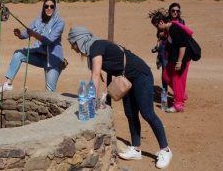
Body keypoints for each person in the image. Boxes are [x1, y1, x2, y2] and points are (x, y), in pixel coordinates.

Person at [67, 26, 172, 169]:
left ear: (78, 40)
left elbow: (95, 75)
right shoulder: (95, 47)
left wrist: (91, 101)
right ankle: (136, 148)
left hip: (141, 75)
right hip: (126, 79)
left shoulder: (95, 47)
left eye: (72, 43)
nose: (72, 48)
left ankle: (165, 150)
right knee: (130, 113)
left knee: (147, 113)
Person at [0, 0, 65, 93]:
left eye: (51, 6)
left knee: (50, 92)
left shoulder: (60, 23)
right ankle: (8, 83)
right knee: (18, 54)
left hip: (53, 60)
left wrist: (34, 34)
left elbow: (48, 40)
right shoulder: (38, 20)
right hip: (39, 56)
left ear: (55, 8)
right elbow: (26, 33)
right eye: (46, 6)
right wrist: (20, 34)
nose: (49, 8)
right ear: (43, 8)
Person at [150, 10, 193, 113]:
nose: (157, 28)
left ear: (161, 22)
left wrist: (179, 62)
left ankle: (178, 105)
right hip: (173, 59)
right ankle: (181, 94)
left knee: (177, 79)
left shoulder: (174, 29)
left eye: (156, 26)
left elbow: (183, 46)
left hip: (182, 59)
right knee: (166, 75)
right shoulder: (168, 29)